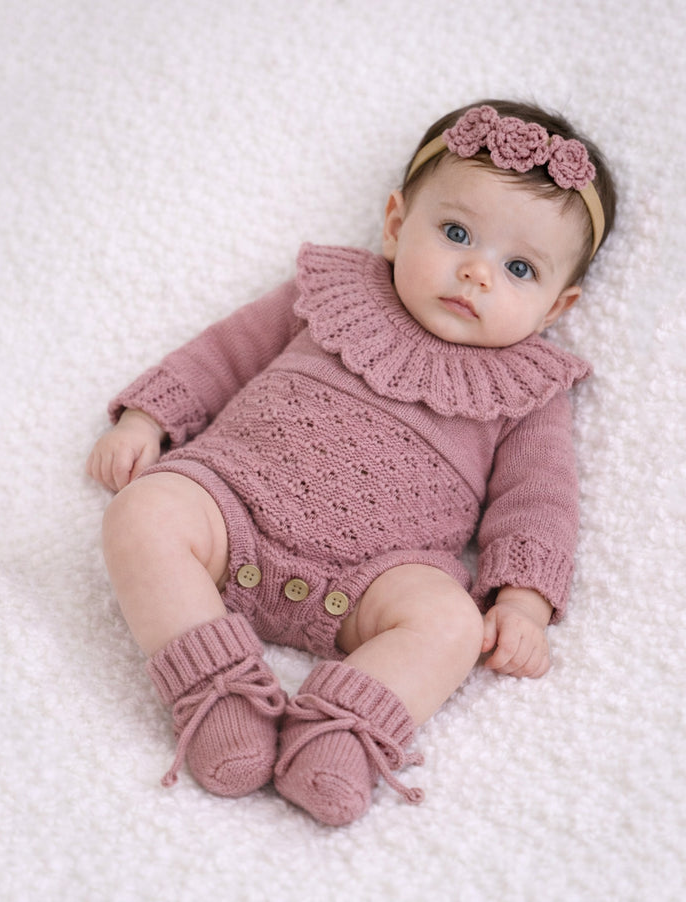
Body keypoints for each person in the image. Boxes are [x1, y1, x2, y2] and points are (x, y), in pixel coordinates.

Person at [86, 99, 617, 826]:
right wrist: (151, 416)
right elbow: (226, 352)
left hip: (376, 582)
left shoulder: (528, 388)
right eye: (456, 233)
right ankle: (216, 695)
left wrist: (522, 600)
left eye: (519, 268)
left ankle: (340, 733)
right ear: (396, 223)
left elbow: (539, 498)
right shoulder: (330, 291)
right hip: (232, 510)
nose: (475, 273)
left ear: (557, 307)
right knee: (143, 511)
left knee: (451, 625)